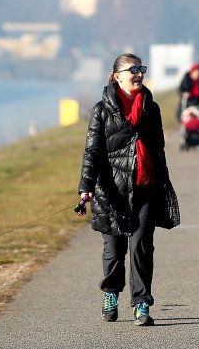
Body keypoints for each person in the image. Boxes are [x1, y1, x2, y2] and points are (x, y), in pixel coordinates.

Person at [77, 53, 180, 326]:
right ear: (117, 76)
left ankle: (141, 304)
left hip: (145, 187)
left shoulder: (151, 107)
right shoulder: (101, 110)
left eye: (141, 69)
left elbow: (158, 148)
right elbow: (92, 152)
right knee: (113, 249)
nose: (138, 74)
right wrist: (85, 188)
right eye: (132, 69)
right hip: (111, 190)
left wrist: (161, 179)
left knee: (141, 246)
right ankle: (111, 293)